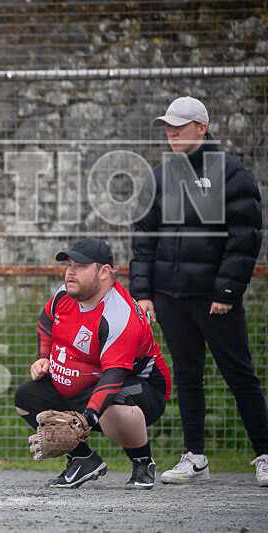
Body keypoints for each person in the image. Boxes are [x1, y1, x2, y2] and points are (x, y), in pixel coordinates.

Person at [130, 96, 268, 486]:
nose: (172, 133)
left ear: (202, 128)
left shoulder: (231, 173)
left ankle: (264, 453)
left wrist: (226, 290)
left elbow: (244, 238)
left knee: (240, 375)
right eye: (168, 127)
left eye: (180, 125)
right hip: (170, 299)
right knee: (188, 376)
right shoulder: (160, 176)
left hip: (214, 299)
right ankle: (195, 457)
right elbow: (144, 237)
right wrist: (144, 292)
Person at [14, 237, 171, 490]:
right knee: (26, 397)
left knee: (113, 409)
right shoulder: (64, 295)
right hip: (87, 384)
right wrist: (44, 357)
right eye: (69, 265)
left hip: (141, 390)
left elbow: (114, 375)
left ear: (104, 272)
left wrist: (86, 418)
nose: (70, 272)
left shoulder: (119, 315)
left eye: (81, 266)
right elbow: (46, 321)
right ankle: (82, 459)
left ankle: (142, 462)